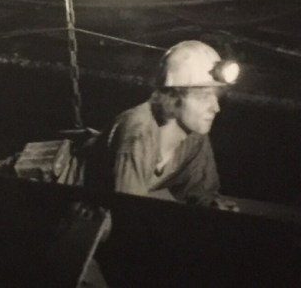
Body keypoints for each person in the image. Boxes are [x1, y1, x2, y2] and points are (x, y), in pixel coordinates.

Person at [85, 40, 239, 210]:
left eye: (216, 96)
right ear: (173, 96)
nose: (216, 108)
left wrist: (215, 207)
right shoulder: (138, 132)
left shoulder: (195, 137)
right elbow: (127, 209)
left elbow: (201, 192)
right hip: (70, 191)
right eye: (203, 97)